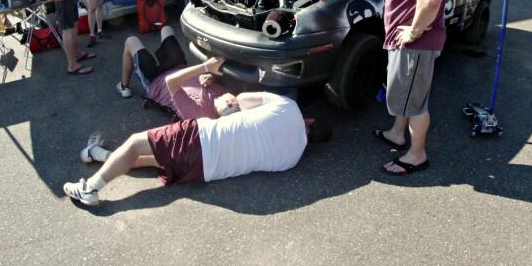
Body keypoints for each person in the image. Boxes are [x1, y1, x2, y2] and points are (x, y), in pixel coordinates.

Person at [63, 92, 332, 205]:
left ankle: (90, 189)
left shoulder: (289, 107)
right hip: (207, 170)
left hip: (201, 138)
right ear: (312, 142)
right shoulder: (293, 158)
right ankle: (99, 155)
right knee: (149, 159)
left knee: (134, 142)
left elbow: (241, 100)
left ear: (309, 120)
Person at [361, 0, 450, 176]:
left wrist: (413, 32)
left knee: (414, 102)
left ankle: (416, 154)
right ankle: (398, 134)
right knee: (405, 94)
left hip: (415, 43)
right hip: (407, 40)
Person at [116, 25, 229, 120]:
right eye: (235, 103)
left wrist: (206, 67)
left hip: (156, 81)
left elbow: (170, 82)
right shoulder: (227, 95)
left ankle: (123, 86)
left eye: (231, 106)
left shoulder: (201, 115)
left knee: (131, 41)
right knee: (167, 29)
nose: (232, 102)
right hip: (178, 68)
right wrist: (210, 77)